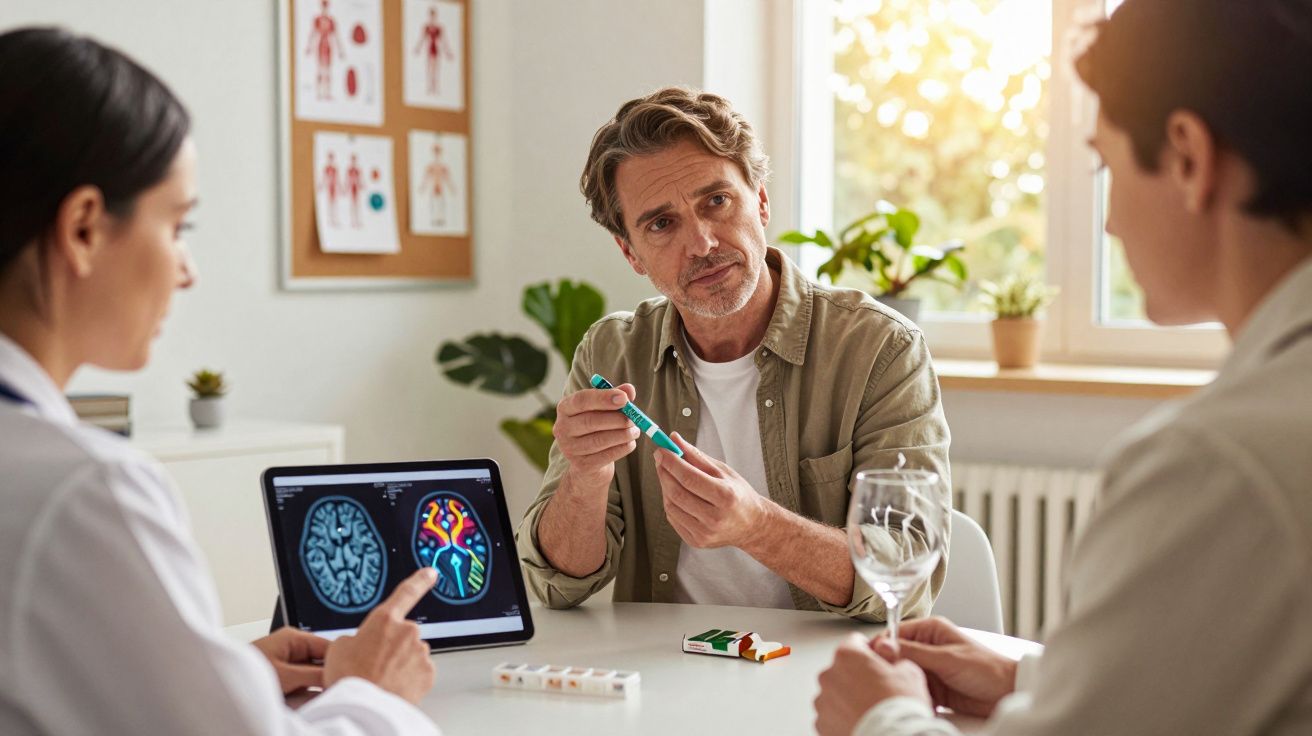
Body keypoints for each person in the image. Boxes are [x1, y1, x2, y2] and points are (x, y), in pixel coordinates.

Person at [814, 0, 1312, 732]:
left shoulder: (1220, 466)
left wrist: (883, 718)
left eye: (1104, 166)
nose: (1107, 222)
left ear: (1187, 157)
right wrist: (1029, 674)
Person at [0, 27, 440, 735]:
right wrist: (371, 693)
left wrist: (211, 674)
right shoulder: (84, 490)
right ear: (84, 228)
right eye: (177, 225)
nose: (186, 269)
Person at [516, 87, 952, 621]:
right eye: (661, 223)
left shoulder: (880, 348)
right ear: (630, 252)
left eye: (716, 201)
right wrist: (585, 478)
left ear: (761, 200)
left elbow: (908, 578)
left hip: (825, 675)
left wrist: (758, 527)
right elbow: (559, 585)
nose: (701, 243)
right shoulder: (611, 352)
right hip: (663, 670)